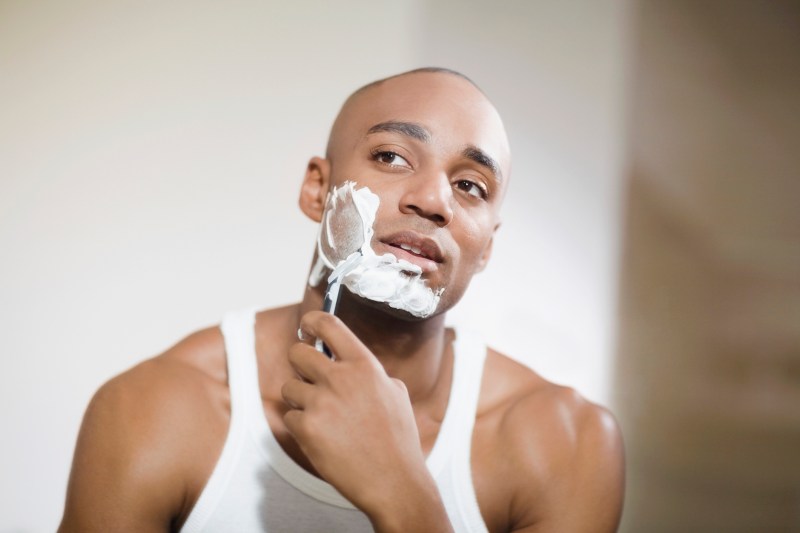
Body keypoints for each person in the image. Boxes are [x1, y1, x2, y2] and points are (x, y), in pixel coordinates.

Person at [59, 67, 625, 532]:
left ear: (487, 248)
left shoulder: (563, 443)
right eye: (392, 157)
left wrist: (404, 493)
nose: (433, 200)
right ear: (316, 189)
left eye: (470, 185)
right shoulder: (154, 410)